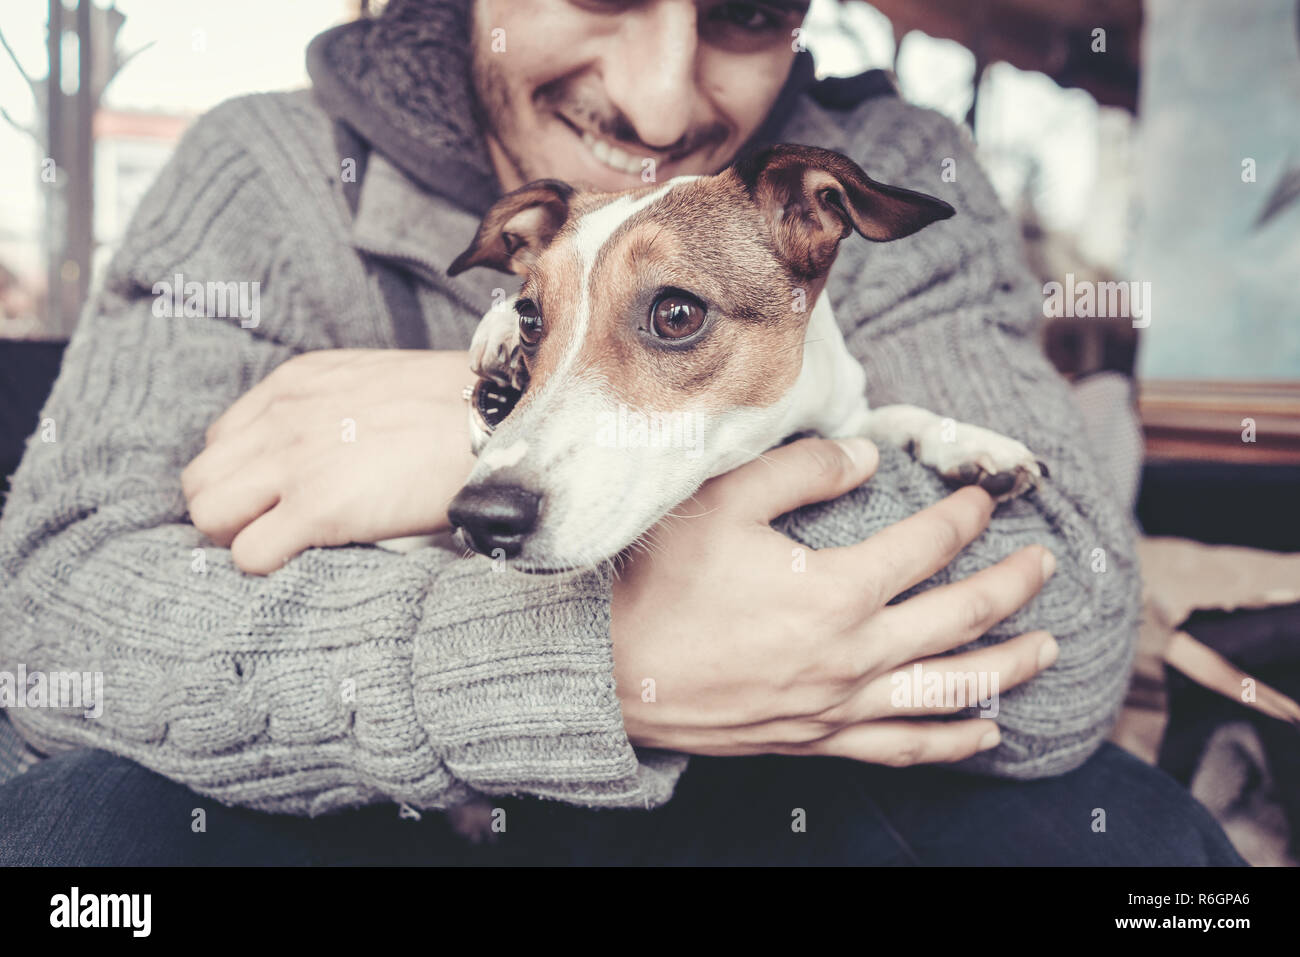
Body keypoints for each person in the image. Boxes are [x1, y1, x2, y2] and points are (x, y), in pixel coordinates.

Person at [0, 0, 1242, 865]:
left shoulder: (874, 172)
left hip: (761, 805)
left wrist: (457, 446)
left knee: (1124, 838)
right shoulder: (261, 170)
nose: (658, 100)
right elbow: (58, 623)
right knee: (73, 839)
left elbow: (1069, 642)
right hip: (352, 807)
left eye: (747, 9)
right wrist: (584, 664)